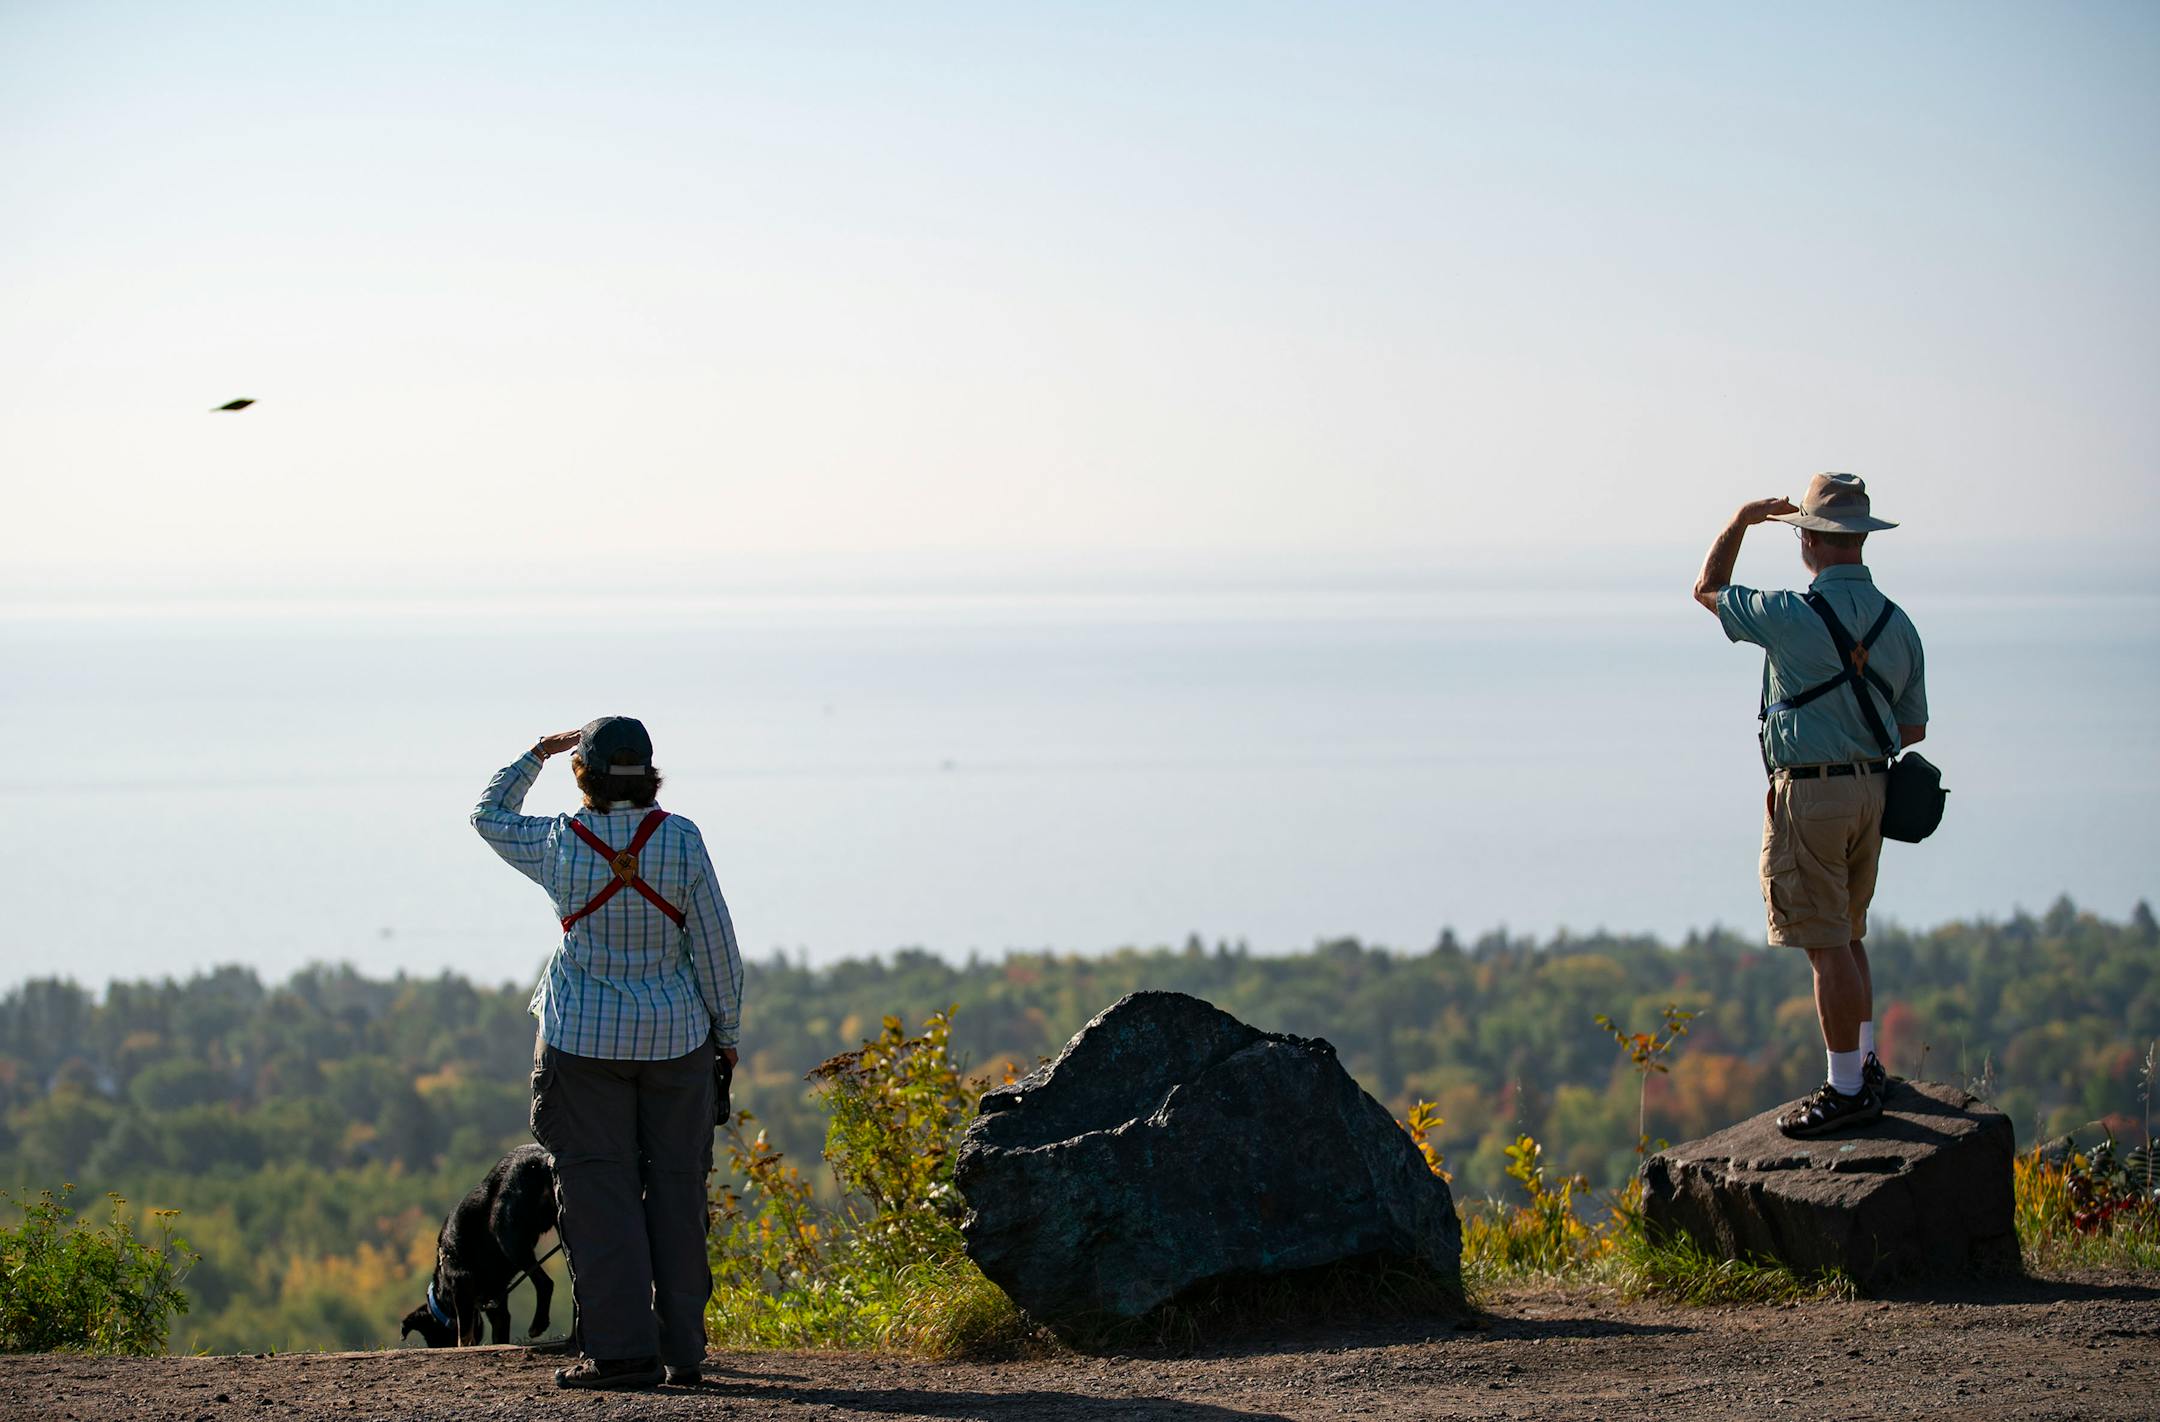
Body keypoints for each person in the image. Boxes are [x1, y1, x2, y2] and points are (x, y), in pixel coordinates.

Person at [471, 716, 743, 1390]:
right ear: (650, 769)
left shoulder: (559, 841)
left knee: (598, 1195)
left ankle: (621, 1354)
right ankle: (683, 1351)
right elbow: (715, 950)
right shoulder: (680, 839)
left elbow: (487, 815)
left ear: (582, 772)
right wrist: (727, 1038)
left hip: (580, 1043)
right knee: (678, 1193)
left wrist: (535, 753)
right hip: (677, 1041)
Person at [1692, 474, 1928, 1139]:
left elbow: (1707, 591)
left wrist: (1739, 520)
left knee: (1824, 943)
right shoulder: (1898, 623)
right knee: (1849, 931)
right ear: (1859, 538)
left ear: (1808, 541)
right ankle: (1868, 1064)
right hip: (1872, 793)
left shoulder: (1790, 615)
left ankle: (1847, 1088)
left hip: (1811, 793)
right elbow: (1912, 730)